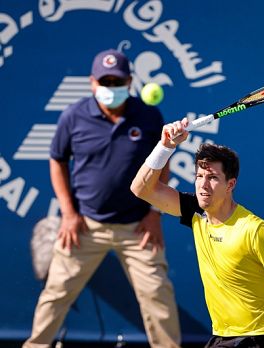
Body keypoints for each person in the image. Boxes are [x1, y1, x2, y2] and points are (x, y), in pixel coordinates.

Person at [23, 49, 181, 348]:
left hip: (138, 227)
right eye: (105, 81)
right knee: (55, 294)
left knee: (158, 295)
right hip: (85, 225)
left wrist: (155, 212)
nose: (111, 88)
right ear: (92, 83)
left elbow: (162, 163)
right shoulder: (73, 116)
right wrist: (68, 214)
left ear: (131, 82)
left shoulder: (149, 115)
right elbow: (57, 160)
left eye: (117, 81)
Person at [130, 118, 264, 348]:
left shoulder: (255, 230)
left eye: (212, 178)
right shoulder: (195, 212)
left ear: (230, 185)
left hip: (257, 340)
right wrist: (166, 146)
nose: (203, 185)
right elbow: (140, 188)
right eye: (199, 176)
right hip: (222, 336)